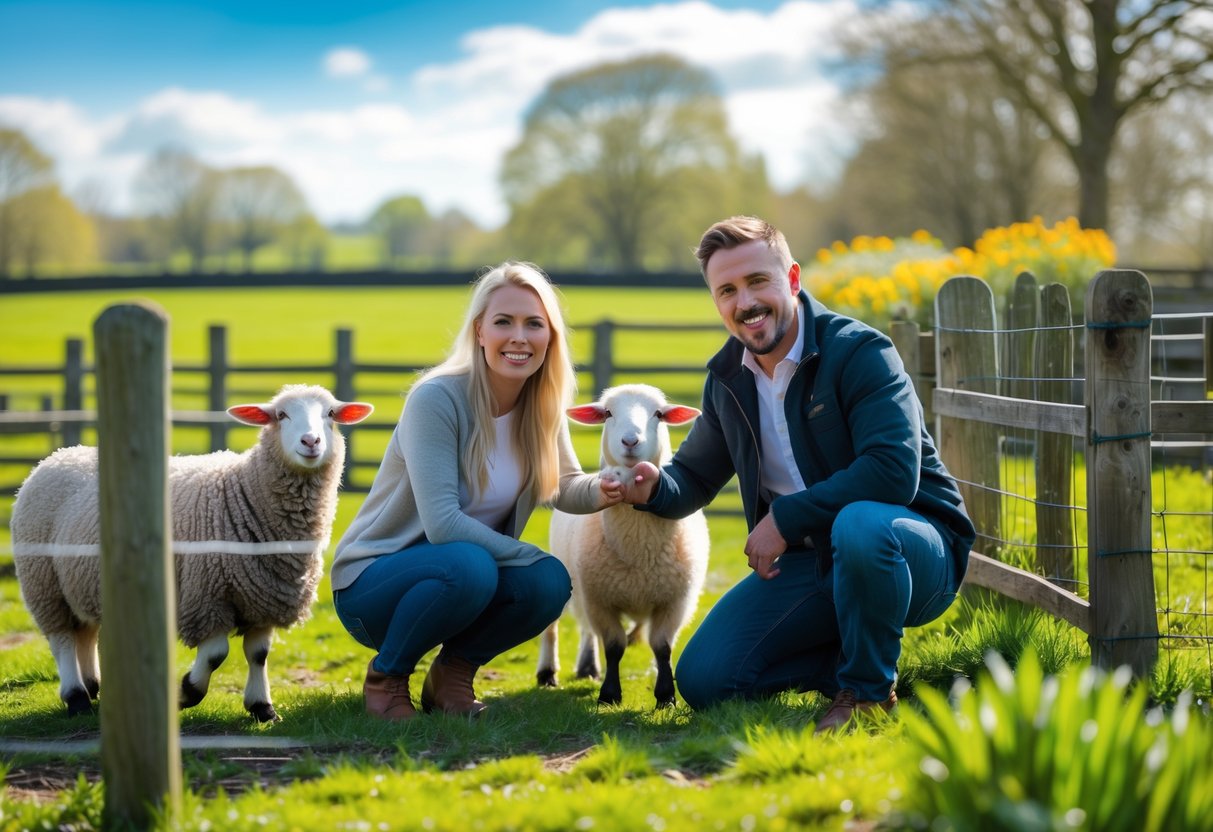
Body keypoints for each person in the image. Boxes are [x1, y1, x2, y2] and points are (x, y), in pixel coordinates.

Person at [618, 216, 975, 732]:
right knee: (705, 681)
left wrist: (785, 519)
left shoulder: (860, 352)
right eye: (727, 290)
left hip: (911, 549)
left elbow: (893, 472)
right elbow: (693, 477)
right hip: (814, 564)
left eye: (757, 281)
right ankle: (849, 658)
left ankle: (867, 692)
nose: (745, 303)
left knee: (859, 524)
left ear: (791, 279)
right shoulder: (727, 379)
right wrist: (653, 487)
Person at [331, 262, 622, 721]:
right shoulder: (436, 400)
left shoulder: (540, 404)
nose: (519, 337)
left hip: (463, 576)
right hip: (375, 585)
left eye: (534, 324)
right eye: (503, 322)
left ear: (551, 337)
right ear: (479, 332)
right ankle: (386, 677)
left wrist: (610, 486)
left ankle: (452, 676)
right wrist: (527, 553)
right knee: (475, 564)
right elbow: (444, 526)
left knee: (547, 583)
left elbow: (565, 486)